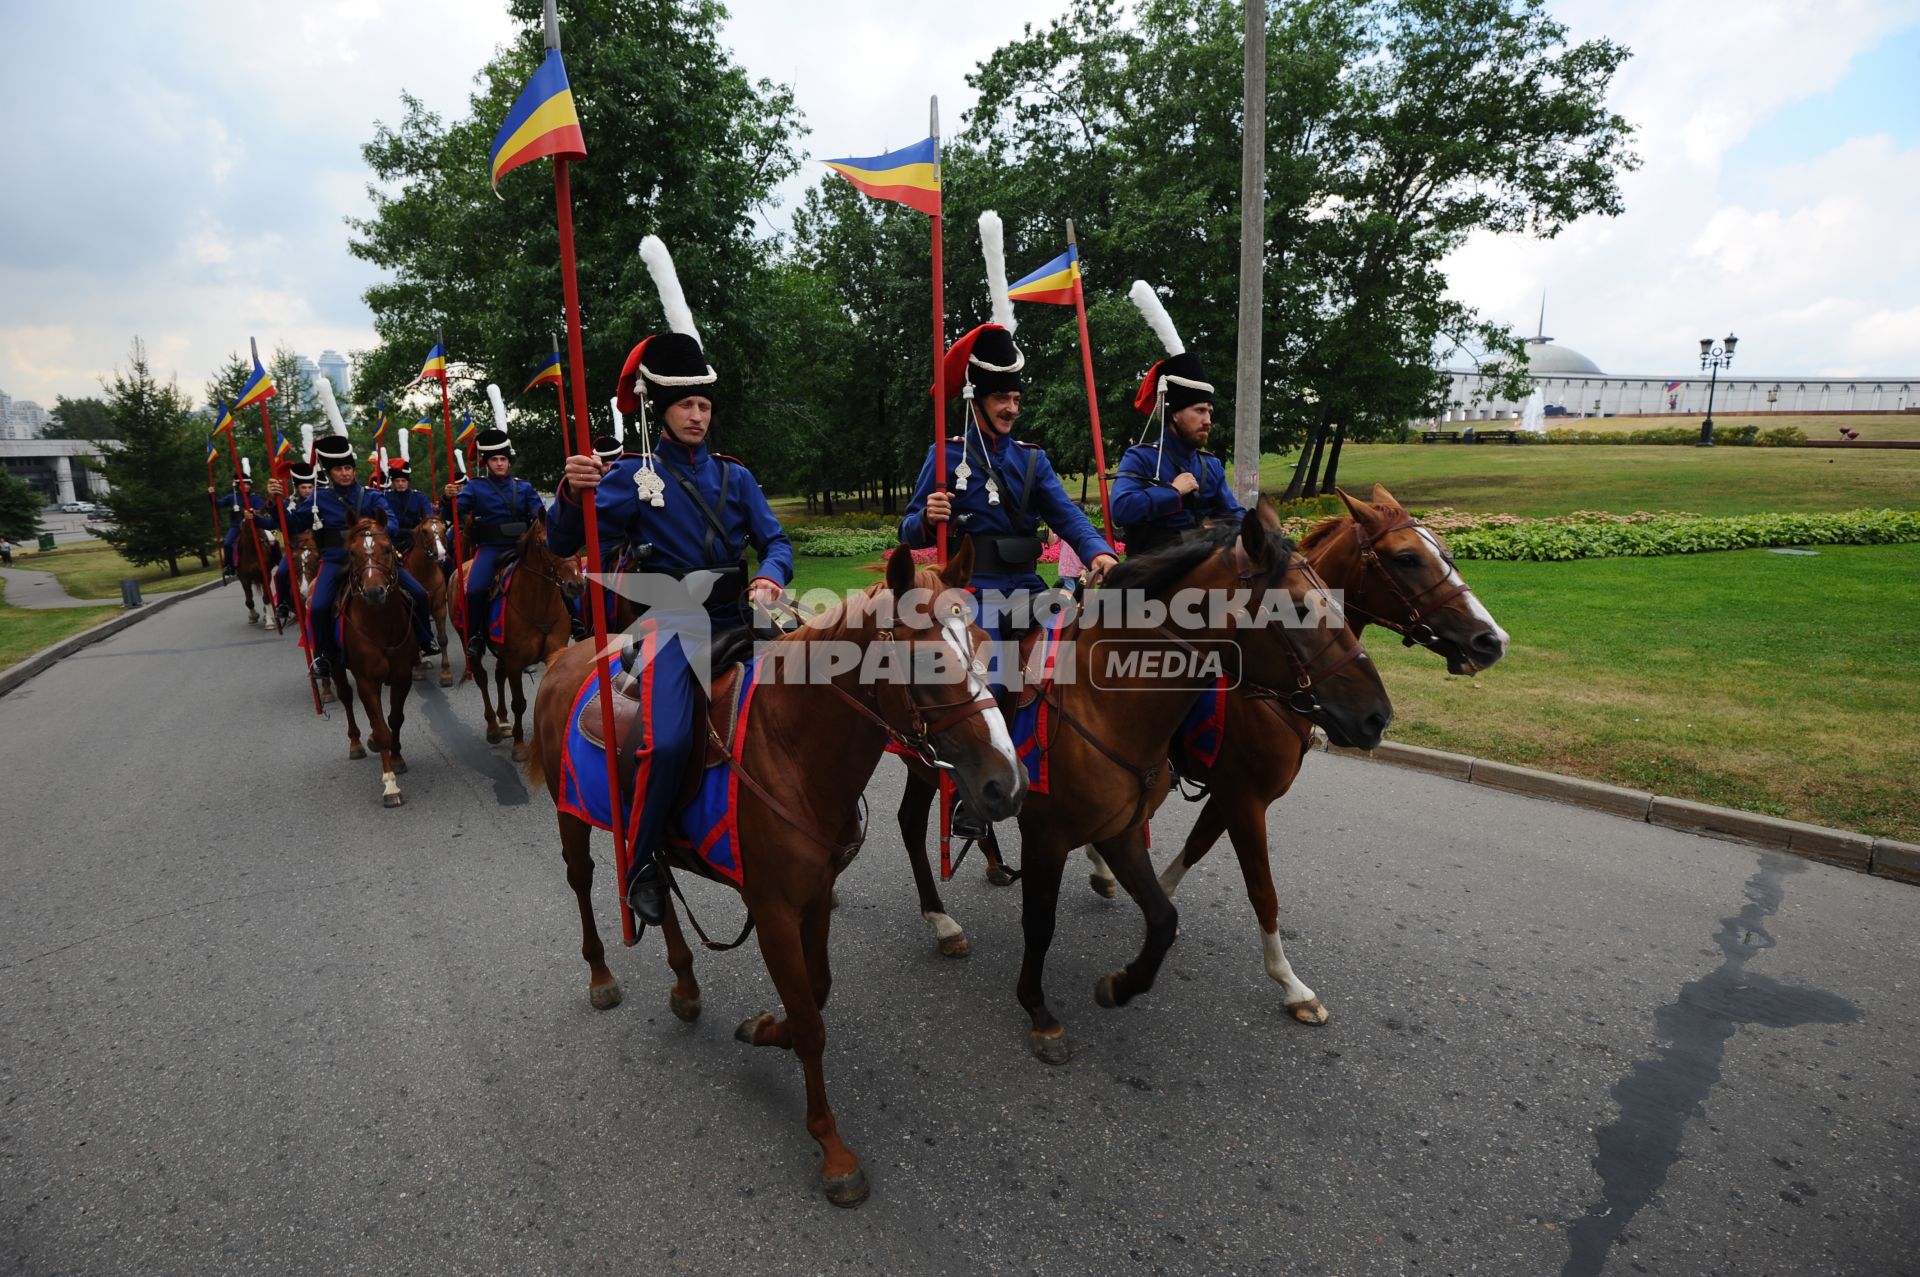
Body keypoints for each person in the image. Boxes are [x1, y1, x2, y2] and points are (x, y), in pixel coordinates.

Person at [549, 234, 793, 925]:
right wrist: (574, 492)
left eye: (704, 405)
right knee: (676, 739)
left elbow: (775, 540)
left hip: (737, 622)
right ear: (663, 409)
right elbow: (566, 540)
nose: (696, 414)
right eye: (685, 405)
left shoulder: (736, 477)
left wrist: (770, 579)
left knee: (802, 711)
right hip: (670, 628)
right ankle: (647, 860)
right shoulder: (629, 476)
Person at [897, 213, 1117, 836]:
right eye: (999, 396)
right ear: (975, 397)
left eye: (1016, 396)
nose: (1011, 405)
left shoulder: (1033, 461)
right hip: (970, 597)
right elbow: (907, 530)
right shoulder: (945, 457)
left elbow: (1067, 514)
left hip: (1030, 588)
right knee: (996, 679)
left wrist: (1096, 549)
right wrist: (925, 519)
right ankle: (981, 786)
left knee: (1093, 662)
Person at [275, 435, 439, 681]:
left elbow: (391, 520)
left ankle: (425, 639)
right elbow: (292, 525)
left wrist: (377, 532)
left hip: (377, 561)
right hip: (336, 561)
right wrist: (275, 501)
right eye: (339, 469)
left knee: (419, 593)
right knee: (318, 607)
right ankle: (323, 656)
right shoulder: (318, 500)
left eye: (348, 468)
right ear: (331, 473)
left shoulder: (372, 496)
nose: (345, 473)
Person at [1110, 281, 1243, 559]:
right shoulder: (1141, 457)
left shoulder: (1211, 466)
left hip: (1197, 568)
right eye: (1199, 411)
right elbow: (1121, 510)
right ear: (1174, 413)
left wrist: (1259, 528)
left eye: (1209, 411)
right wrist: (1172, 491)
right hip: (1147, 572)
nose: (1207, 419)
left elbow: (1231, 515)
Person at [440, 426, 578, 655]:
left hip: (524, 547)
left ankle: (576, 621)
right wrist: (447, 498)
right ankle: (475, 635)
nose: (500, 463)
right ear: (487, 462)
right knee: (475, 589)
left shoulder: (523, 487)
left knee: (560, 573)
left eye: (503, 458)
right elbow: (452, 514)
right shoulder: (475, 487)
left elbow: (538, 514)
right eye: (494, 459)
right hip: (491, 548)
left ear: (509, 461)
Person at [269, 461, 319, 626]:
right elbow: (278, 521)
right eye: (303, 487)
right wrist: (273, 502)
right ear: (297, 488)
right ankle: (283, 603)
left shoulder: (319, 502)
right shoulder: (288, 504)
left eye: (310, 487)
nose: (307, 490)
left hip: (317, 546)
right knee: (281, 573)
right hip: (295, 547)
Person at [208, 477, 269, 580]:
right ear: (238, 486)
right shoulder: (232, 497)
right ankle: (229, 566)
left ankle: (277, 560)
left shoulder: (256, 497)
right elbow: (217, 504)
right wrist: (211, 494)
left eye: (247, 484)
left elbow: (260, 509)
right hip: (237, 526)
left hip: (256, 524)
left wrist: (252, 512)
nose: (246, 486)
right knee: (227, 543)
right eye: (243, 484)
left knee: (271, 540)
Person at [384, 457, 434, 557]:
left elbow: (429, 519)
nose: (400, 484)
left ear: (408, 482)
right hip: (392, 540)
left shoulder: (419, 497)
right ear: (393, 482)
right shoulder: (385, 497)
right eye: (397, 481)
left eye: (403, 480)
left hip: (417, 540)